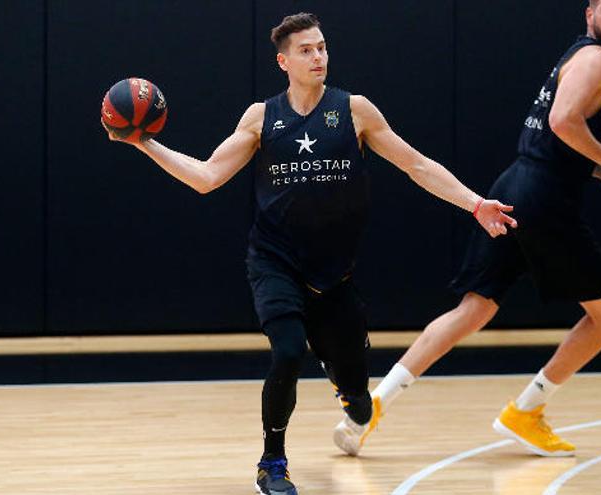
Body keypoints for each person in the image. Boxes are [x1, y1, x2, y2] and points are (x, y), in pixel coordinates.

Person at [104, 12, 516, 495]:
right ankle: (271, 463)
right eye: (306, 50)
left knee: (360, 401)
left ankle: (347, 385)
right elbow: (206, 178)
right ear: (284, 61)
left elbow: (417, 165)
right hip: (275, 261)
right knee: (286, 352)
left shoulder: (355, 110)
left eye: (321, 47)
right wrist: (144, 142)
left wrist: (475, 203)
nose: (318, 56)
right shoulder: (262, 118)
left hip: (334, 273)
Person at [334, 0, 601, 458]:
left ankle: (372, 406)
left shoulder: (578, 55)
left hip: (518, 184)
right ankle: (526, 411)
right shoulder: (596, 58)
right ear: (589, 14)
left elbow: (555, 137)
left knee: (474, 309)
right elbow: (562, 122)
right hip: (545, 200)